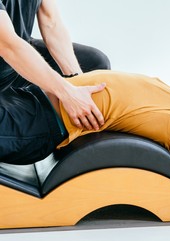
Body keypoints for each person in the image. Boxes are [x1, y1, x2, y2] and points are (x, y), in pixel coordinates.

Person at [0, 0, 111, 164]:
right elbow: (7, 45)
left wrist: (78, 82)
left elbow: (51, 22)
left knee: (94, 63)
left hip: (12, 64)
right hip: (8, 49)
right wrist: (66, 93)